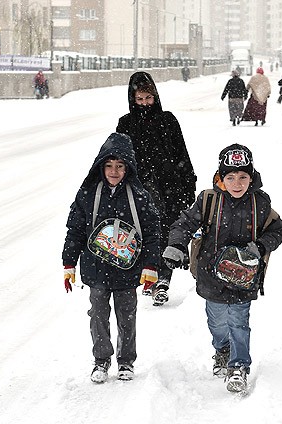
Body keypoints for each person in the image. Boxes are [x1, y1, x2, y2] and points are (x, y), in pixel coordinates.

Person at [162, 144, 282, 393]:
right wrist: (177, 245)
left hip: (244, 276)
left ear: (251, 177)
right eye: (230, 177)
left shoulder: (260, 203)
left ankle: (238, 365)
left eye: (243, 177)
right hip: (211, 275)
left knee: (239, 322)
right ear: (221, 177)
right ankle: (222, 350)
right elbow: (183, 224)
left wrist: (260, 246)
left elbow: (278, 229)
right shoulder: (208, 200)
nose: (237, 183)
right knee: (217, 322)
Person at [61, 132, 161, 384]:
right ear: (100, 166)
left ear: (128, 168)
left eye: (119, 166)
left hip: (128, 269)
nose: (114, 171)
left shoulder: (139, 196)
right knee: (98, 313)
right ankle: (101, 359)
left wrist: (150, 265)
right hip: (96, 268)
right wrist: (69, 263)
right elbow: (74, 229)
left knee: (127, 315)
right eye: (109, 166)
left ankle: (126, 361)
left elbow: (151, 232)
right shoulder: (87, 194)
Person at [116, 71, 197, 306]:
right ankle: (146, 274)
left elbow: (181, 152)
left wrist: (187, 181)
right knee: (141, 234)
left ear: (155, 97)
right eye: (139, 100)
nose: (144, 104)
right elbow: (118, 156)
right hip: (138, 188)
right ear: (133, 99)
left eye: (148, 99)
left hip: (168, 188)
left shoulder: (168, 120)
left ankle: (162, 280)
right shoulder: (126, 123)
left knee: (165, 232)